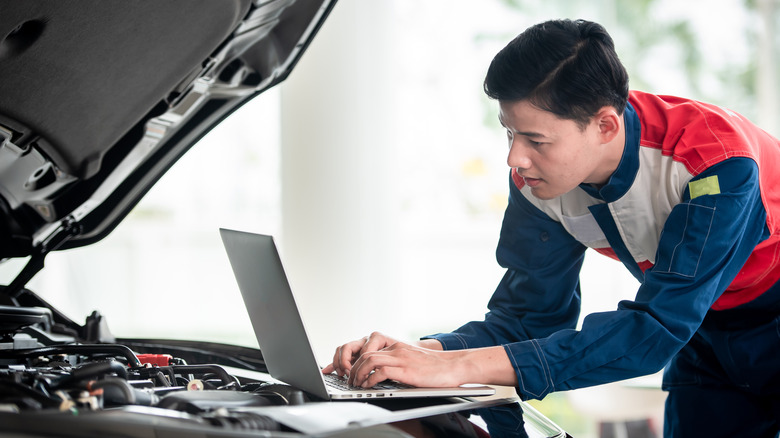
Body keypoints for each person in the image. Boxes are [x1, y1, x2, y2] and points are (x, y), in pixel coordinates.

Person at [323, 18, 780, 437]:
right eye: (509, 133)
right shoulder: (538, 181)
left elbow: (654, 330)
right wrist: (419, 355)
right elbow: (525, 320)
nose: (515, 159)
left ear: (604, 125)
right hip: (704, 336)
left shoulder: (716, 165)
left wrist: (456, 366)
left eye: (536, 140)